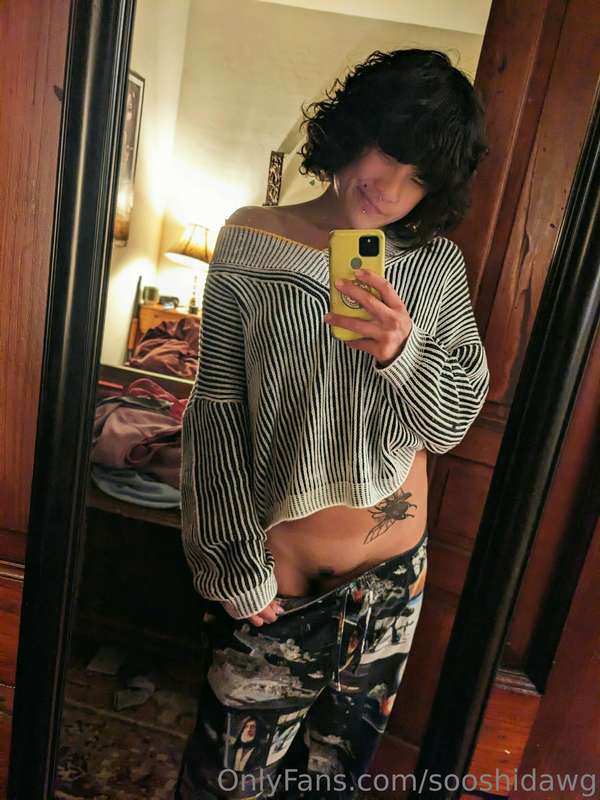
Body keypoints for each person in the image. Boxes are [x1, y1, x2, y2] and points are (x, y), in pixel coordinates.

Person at [175, 48, 490, 799]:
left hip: (391, 589)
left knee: (332, 786)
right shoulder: (250, 238)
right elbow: (217, 414)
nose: (390, 188)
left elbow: (451, 423)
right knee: (225, 786)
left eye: (419, 177)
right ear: (352, 130)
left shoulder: (436, 266)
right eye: (388, 151)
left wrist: (402, 351)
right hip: (275, 595)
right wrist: (233, 567)